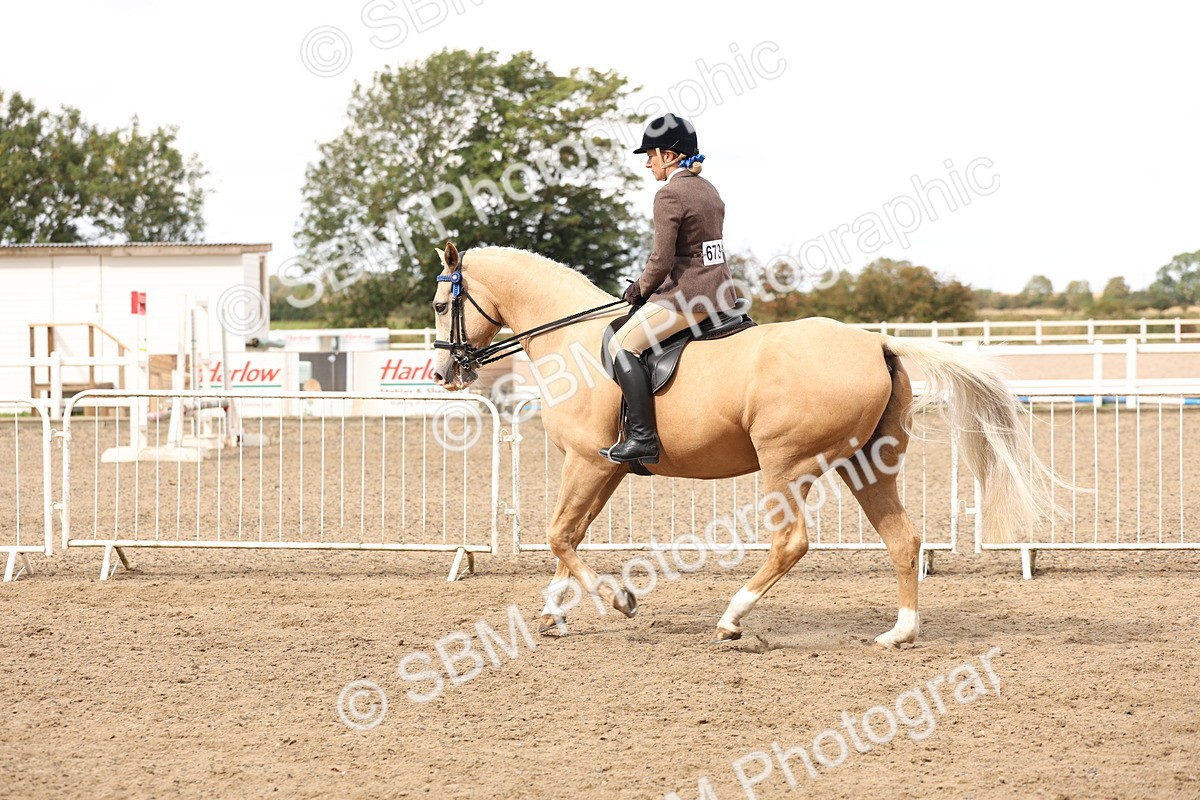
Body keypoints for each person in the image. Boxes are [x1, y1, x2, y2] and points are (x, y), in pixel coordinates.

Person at [600, 113, 738, 464]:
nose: (648, 163)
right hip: (721, 294)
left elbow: (661, 261)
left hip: (686, 298)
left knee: (622, 344)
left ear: (670, 155)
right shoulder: (709, 190)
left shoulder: (670, 195)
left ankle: (643, 438)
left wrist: (640, 290)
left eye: (651, 154)